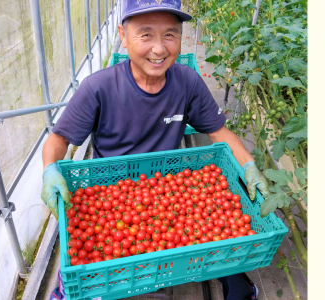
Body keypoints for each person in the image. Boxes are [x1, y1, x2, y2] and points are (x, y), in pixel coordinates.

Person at [41, 1, 269, 299]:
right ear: (123, 35)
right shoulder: (98, 88)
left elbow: (219, 131)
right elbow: (58, 140)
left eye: (170, 35)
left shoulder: (186, 82)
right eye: (145, 35)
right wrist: (50, 170)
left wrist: (250, 166)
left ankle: (231, 276)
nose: (159, 49)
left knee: (208, 229)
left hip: (169, 187)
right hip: (109, 191)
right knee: (94, 262)